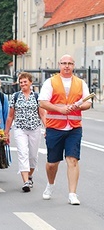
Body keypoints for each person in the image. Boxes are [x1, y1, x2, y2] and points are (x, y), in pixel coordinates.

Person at [38, 54, 91, 205]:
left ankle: (72, 194)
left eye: (70, 63)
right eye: (64, 63)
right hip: (55, 127)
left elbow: (88, 103)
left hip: (74, 128)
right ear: (59, 65)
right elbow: (42, 102)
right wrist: (59, 109)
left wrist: (78, 106)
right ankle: (50, 184)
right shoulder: (51, 82)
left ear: (74, 66)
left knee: (72, 160)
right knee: (52, 163)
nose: (67, 66)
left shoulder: (80, 83)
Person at [4, 72, 46, 192]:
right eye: (21, 82)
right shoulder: (15, 96)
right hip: (20, 128)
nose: (23, 84)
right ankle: (26, 181)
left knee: (33, 156)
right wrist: (6, 132)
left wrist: (47, 128)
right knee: (23, 153)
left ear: (30, 83)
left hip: (35, 128)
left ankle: (30, 175)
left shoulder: (37, 97)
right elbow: (10, 116)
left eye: (25, 82)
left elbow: (42, 114)